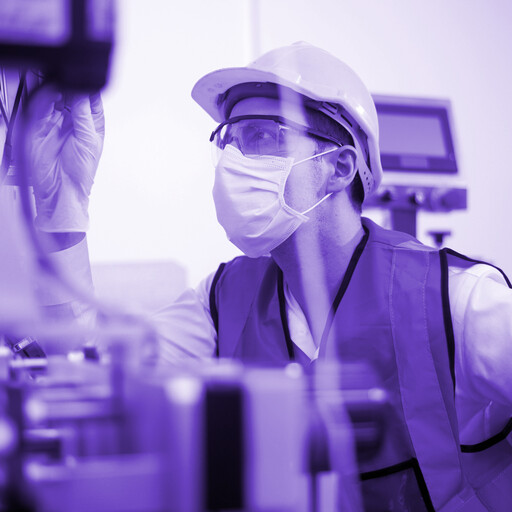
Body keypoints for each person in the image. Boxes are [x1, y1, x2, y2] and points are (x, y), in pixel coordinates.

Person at [25, 42, 512, 511]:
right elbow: (85, 381)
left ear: (339, 167)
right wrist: (62, 209)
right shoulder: (221, 302)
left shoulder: (456, 301)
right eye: (229, 139)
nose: (235, 159)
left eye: (260, 136)